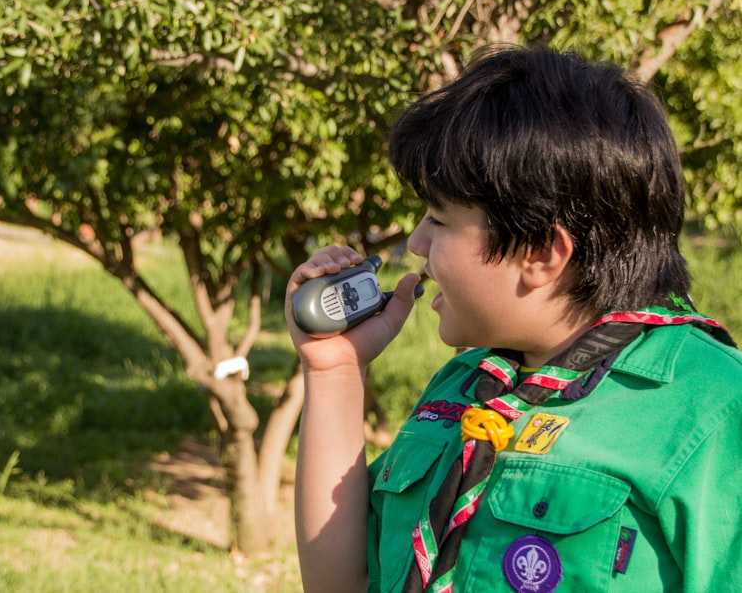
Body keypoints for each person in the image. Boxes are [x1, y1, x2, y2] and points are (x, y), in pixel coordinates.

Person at [285, 45, 742, 593]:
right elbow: (345, 583)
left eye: (438, 219)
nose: (415, 243)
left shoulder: (712, 410)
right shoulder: (470, 383)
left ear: (542, 254)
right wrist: (335, 371)